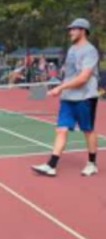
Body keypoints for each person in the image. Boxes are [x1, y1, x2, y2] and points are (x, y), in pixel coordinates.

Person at [32, 18, 99, 177]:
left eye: (74, 29)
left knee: (87, 130)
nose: (70, 32)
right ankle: (51, 165)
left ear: (83, 31)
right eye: (70, 29)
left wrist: (60, 88)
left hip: (85, 97)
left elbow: (83, 78)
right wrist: (55, 88)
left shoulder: (90, 51)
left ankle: (91, 164)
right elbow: (69, 75)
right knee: (61, 129)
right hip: (68, 98)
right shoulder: (71, 49)